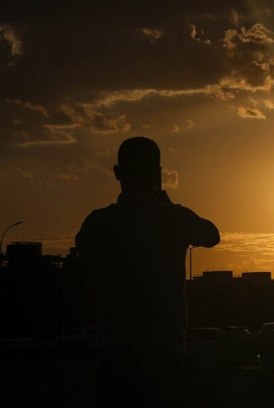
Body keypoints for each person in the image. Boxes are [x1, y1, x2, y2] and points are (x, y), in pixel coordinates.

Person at [76, 136, 220, 407]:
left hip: (113, 347)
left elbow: (82, 246)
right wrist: (166, 205)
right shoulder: (175, 218)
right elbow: (212, 235)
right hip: (164, 346)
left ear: (117, 173)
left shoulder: (98, 222)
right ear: (158, 174)